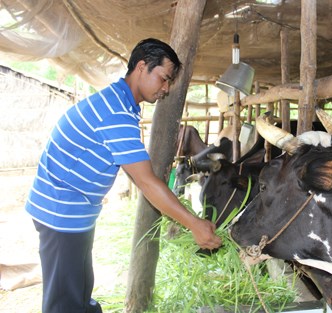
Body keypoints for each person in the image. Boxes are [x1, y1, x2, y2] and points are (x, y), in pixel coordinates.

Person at [25, 38, 222, 313]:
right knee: (64, 303)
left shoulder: (120, 103)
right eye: (164, 79)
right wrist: (193, 224)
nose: (165, 89)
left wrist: (179, 213)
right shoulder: (116, 112)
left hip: (75, 211)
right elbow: (146, 181)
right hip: (61, 212)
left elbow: (139, 174)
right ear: (142, 66)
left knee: (80, 288)